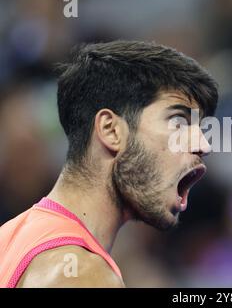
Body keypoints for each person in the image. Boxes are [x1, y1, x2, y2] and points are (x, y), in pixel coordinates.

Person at [0, 40, 218, 287]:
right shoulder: (82, 274)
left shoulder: (12, 238)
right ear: (111, 130)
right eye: (179, 121)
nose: (203, 145)